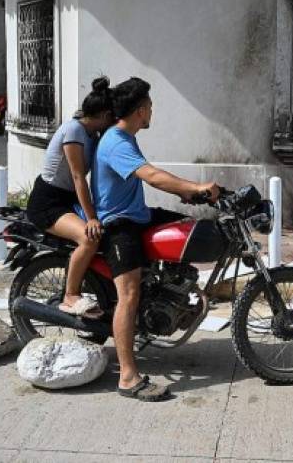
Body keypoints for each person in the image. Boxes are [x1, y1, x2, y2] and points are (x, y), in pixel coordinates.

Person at [92, 76, 219, 401]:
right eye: (149, 105)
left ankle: (169, 294)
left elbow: (152, 176)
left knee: (185, 226)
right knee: (129, 296)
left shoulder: (126, 137)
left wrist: (193, 198)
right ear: (138, 110)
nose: (152, 110)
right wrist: (194, 187)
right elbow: (151, 175)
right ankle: (128, 378)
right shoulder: (116, 141)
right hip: (119, 225)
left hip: (138, 215)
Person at [24, 76, 115, 318]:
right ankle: (70, 295)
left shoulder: (92, 135)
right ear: (105, 115)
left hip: (67, 200)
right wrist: (92, 217)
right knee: (89, 238)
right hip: (49, 202)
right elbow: (77, 178)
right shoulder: (74, 129)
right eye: (113, 117)